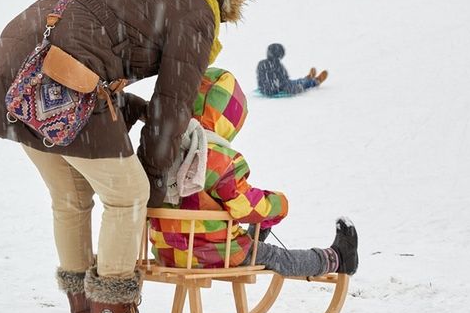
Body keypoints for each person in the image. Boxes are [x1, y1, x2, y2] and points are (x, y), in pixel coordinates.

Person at [0, 0, 250, 313]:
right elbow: (174, 103)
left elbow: (103, 50)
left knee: (70, 196)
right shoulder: (196, 7)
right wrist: (156, 177)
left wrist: (130, 112)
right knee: (129, 195)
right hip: (61, 72)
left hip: (19, 62)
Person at [149, 68, 357, 279]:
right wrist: (278, 205)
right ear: (228, 119)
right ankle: (338, 258)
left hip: (167, 253)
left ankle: (254, 236)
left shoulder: (162, 152)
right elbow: (245, 204)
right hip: (214, 254)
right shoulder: (216, 157)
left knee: (237, 237)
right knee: (276, 257)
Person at [256, 44, 327, 96]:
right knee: (300, 84)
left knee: (295, 82)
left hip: (264, 89)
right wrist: (294, 89)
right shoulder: (277, 65)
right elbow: (284, 79)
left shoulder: (261, 63)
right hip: (279, 89)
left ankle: (308, 77)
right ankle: (315, 81)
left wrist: (265, 88)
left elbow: (261, 79)